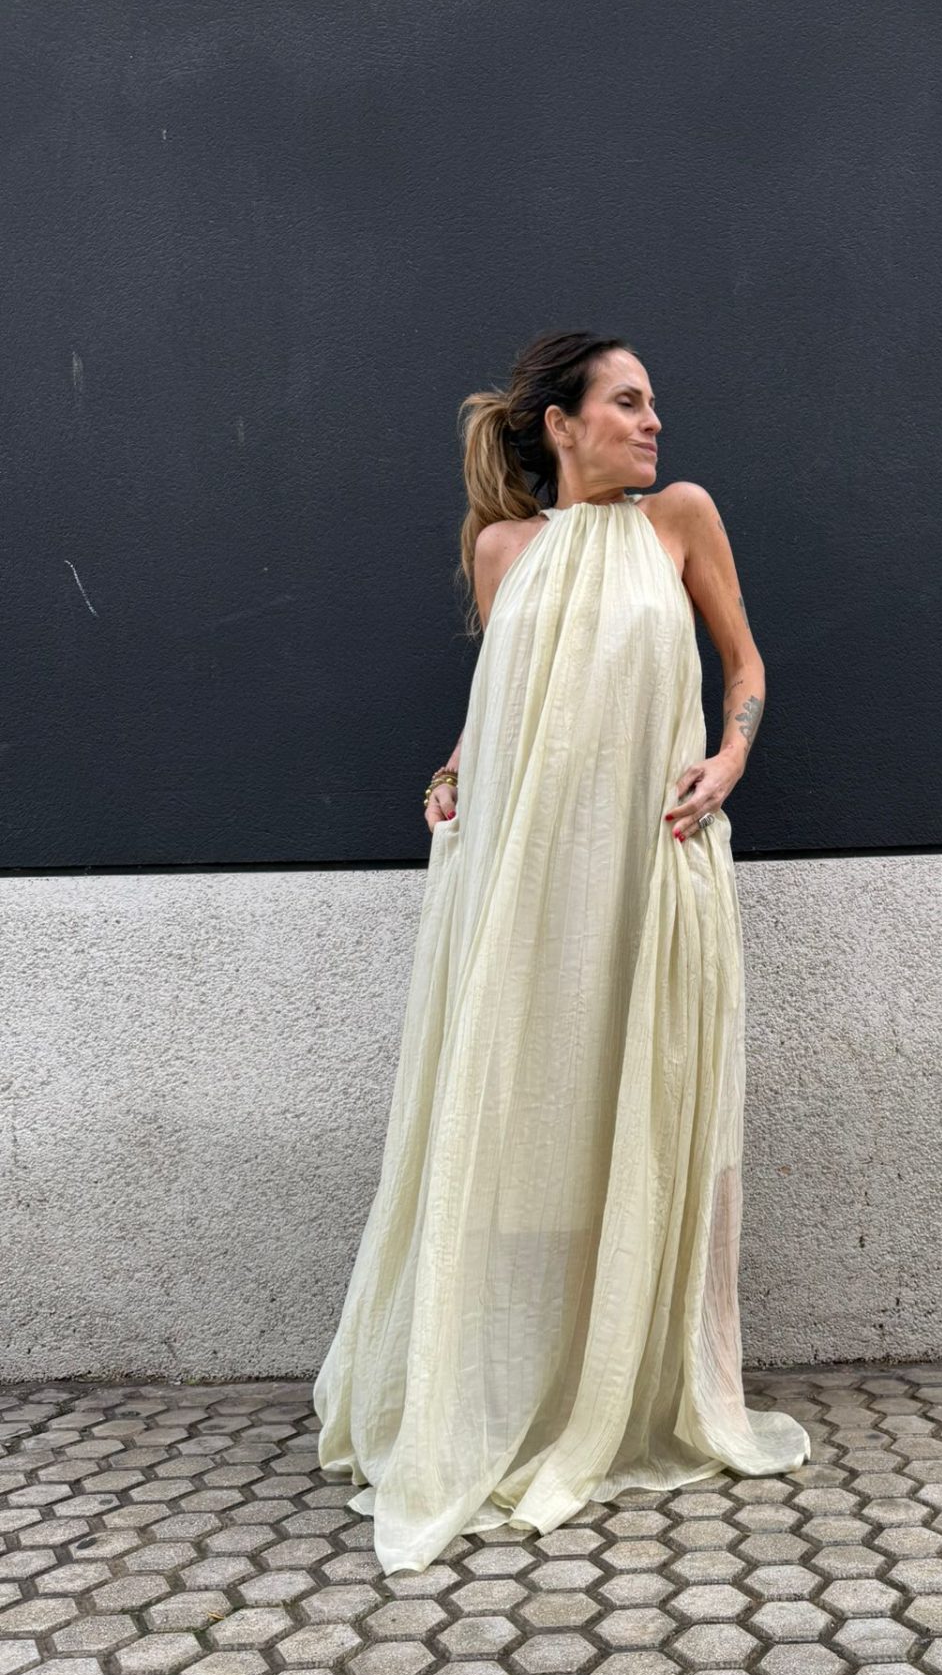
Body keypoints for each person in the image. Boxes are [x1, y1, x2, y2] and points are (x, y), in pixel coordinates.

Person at [312, 328, 811, 1574]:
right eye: (628, 402)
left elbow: (745, 664)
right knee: (527, 1117)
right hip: (531, 885)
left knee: (647, 1105)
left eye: (653, 404)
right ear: (562, 423)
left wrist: (731, 757)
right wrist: (450, 771)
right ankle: (515, 1384)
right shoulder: (503, 550)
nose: (653, 422)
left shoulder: (681, 520)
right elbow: (508, 708)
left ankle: (634, 1382)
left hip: (653, 867)